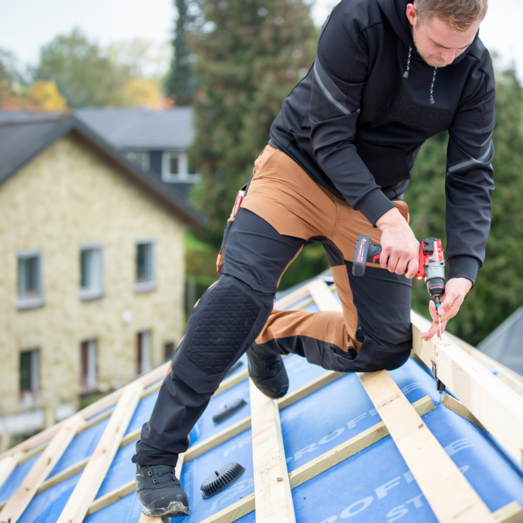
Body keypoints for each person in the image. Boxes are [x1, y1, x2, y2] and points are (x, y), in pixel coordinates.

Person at [132, 0, 495, 516]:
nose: (449, 58)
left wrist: (465, 268)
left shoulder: (474, 67)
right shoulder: (359, 21)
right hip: (298, 168)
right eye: (440, 45)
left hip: (373, 196)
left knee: (382, 347)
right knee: (239, 297)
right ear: (413, 11)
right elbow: (328, 136)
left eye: (463, 47)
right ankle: (156, 454)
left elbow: (471, 174)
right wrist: (389, 221)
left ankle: (270, 334)